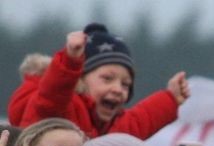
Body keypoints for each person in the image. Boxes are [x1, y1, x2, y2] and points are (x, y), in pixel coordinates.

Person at [8, 24, 189, 139]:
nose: (118, 89)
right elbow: (52, 95)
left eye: (125, 84)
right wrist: (70, 61)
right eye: (108, 78)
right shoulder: (60, 106)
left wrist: (170, 99)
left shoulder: (103, 125)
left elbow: (132, 126)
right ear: (79, 79)